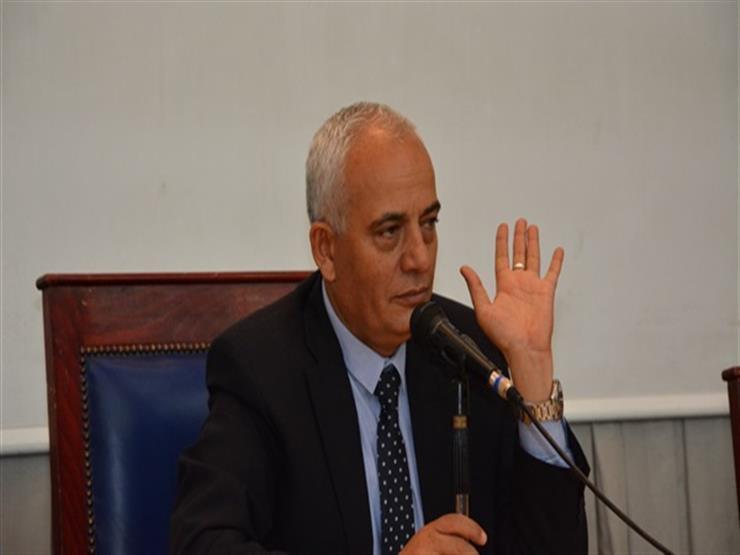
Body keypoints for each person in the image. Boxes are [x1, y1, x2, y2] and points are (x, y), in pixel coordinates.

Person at [171, 102, 588, 554]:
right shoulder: (260, 369)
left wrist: (532, 373)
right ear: (326, 249)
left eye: (428, 223)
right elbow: (203, 543)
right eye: (390, 232)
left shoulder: (469, 349)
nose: (420, 258)